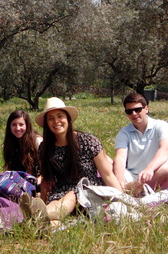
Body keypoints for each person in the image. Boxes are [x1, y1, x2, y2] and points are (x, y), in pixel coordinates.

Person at [25, 97, 122, 227]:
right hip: (60, 194)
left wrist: (122, 200)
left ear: (68, 119)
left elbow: (107, 174)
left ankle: (35, 217)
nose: (56, 121)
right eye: (51, 118)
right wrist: (43, 201)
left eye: (60, 116)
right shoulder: (45, 148)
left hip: (88, 191)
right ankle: (38, 222)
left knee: (73, 194)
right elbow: (47, 181)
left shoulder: (88, 141)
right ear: (47, 123)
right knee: (54, 212)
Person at [113, 92, 168, 195]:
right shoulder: (124, 133)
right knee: (106, 162)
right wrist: (119, 179)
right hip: (131, 176)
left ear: (146, 109)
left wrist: (149, 169)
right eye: (129, 111)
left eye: (137, 109)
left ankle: (134, 192)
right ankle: (134, 190)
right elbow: (120, 157)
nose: (134, 113)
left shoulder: (162, 126)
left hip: (154, 173)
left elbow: (165, 150)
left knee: (167, 169)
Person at [2, 109, 42, 175]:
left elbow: (46, 167)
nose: (17, 128)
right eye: (14, 125)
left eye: (21, 124)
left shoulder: (37, 141)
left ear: (27, 125)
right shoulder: (10, 142)